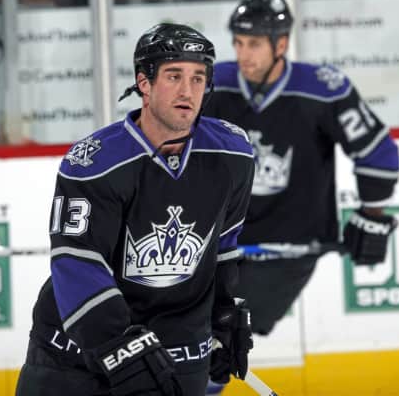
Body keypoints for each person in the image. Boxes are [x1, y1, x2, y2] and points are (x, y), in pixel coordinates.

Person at [15, 23, 255, 396]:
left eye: (197, 78)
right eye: (174, 76)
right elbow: (78, 262)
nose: (187, 91)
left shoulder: (233, 154)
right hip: (76, 356)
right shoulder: (96, 161)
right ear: (144, 82)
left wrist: (223, 316)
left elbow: (223, 246)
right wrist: (119, 345)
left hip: (177, 355)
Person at [203, 0, 399, 343]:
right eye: (238, 42)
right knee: (194, 338)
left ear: (281, 44)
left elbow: (378, 153)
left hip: (288, 255)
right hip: (220, 245)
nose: (243, 54)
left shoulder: (323, 89)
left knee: (218, 337)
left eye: (254, 44)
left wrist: (372, 213)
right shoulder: (212, 85)